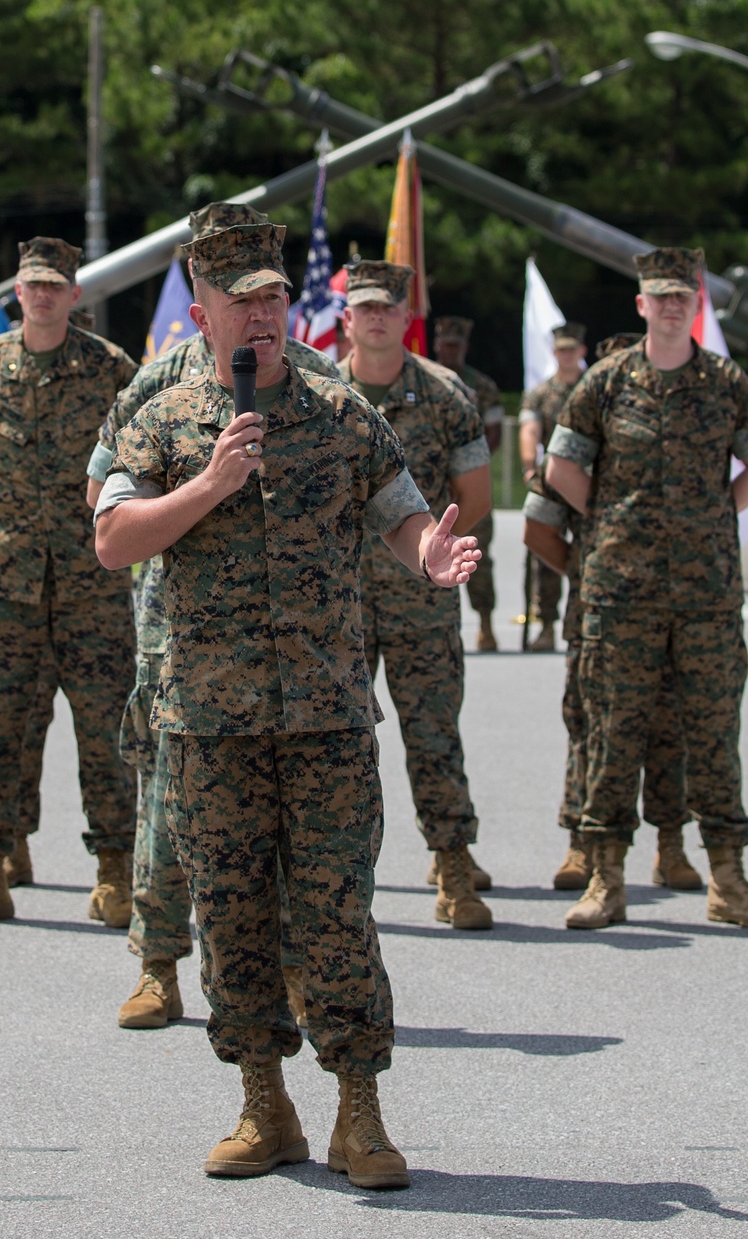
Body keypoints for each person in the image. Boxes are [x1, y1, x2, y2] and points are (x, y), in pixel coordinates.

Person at [93, 218, 480, 1188]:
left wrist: (426, 554)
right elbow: (114, 540)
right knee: (230, 915)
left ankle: (361, 1114)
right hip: (206, 718)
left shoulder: (340, 407)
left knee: (336, 911)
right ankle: (264, 1105)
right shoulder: (160, 414)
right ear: (202, 311)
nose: (263, 314)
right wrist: (213, 483)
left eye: (273, 298)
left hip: (325, 713)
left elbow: (397, 509)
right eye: (242, 301)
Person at [84, 206, 341, 1033]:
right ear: (203, 291)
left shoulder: (303, 376)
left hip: (283, 641)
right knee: (171, 809)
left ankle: (298, 975)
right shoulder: (160, 385)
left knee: (288, 829)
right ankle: (159, 963)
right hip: (177, 632)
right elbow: (102, 497)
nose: (254, 303)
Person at [546, 246, 748, 931]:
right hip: (621, 593)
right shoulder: (606, 381)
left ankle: (729, 880)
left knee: (714, 732)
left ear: (696, 304)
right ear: (642, 305)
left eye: (685, 295)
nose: (674, 305)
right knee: (615, 731)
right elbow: (562, 467)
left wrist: (715, 515)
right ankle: (607, 877)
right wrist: (613, 516)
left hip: (708, 595)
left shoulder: (726, 382)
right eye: (662, 295)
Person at [0, 238, 138, 930]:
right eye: (32, 285)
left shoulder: (110, 369)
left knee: (107, 733)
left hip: (91, 583)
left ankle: (115, 874)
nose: (41, 295)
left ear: (75, 296)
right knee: (0, 730)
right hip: (2, 580)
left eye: (55, 286)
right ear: (17, 291)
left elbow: (145, 448)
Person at [339, 264, 493, 930]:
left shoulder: (445, 394)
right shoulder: (319, 394)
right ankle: (343, 884)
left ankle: (454, 866)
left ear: (407, 318)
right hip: (338, 606)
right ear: (347, 318)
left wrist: (436, 554)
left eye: (388, 308)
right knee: (341, 746)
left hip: (421, 600)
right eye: (364, 307)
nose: (376, 317)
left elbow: (476, 496)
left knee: (434, 737)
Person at [523, 332, 702, 895]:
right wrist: (586, 573)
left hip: (672, 610)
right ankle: (581, 843)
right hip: (599, 616)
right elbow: (536, 529)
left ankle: (670, 845)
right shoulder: (580, 450)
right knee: (590, 729)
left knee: (670, 728)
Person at [433, 315, 505, 652]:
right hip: (432, 487)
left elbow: (495, 432)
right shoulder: (427, 381)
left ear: (465, 348)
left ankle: (486, 625)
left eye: (456, 346)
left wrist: (468, 466)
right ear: (437, 345)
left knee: (478, 557)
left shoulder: (483, 386)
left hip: (469, 485)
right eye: (446, 345)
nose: (451, 352)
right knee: (429, 554)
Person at [519, 322, 588, 651]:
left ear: (581, 352)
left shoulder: (593, 389)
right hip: (553, 482)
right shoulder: (542, 393)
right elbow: (529, 430)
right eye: (562, 350)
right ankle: (546, 625)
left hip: (592, 483)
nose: (567, 355)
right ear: (554, 352)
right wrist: (531, 467)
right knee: (545, 555)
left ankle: (589, 622)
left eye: (572, 350)